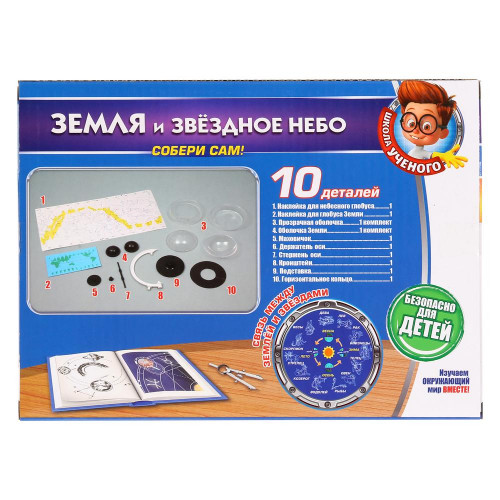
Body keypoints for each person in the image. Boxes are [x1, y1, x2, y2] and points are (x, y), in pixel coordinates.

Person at [397, 80, 467, 168]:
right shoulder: (414, 151)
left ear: (443, 133)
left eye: (426, 127)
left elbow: (433, 155)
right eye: (411, 124)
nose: (415, 130)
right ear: (403, 123)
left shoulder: (420, 152)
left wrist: (444, 156)